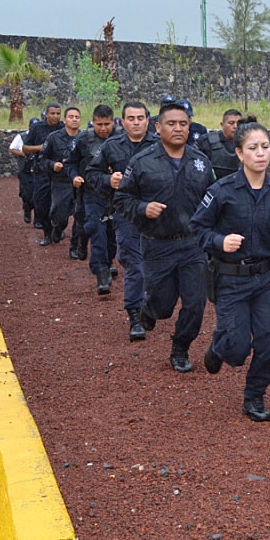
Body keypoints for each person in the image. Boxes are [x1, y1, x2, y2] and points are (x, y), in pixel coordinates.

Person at [190, 121, 270, 421]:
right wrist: (218, 241)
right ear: (239, 153)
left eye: (265, 147)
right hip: (230, 278)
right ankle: (220, 345)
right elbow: (197, 228)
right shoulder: (222, 190)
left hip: (267, 278)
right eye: (253, 148)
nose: (260, 153)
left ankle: (255, 396)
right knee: (236, 351)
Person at [114, 100, 214, 373]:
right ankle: (148, 310)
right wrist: (143, 208)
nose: (178, 128)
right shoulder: (142, 162)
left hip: (193, 246)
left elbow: (214, 201)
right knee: (162, 303)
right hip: (157, 246)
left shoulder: (202, 163)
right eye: (171, 123)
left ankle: (180, 348)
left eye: (183, 124)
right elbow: (122, 199)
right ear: (158, 127)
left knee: (195, 304)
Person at [85, 101, 157, 340]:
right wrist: (108, 180)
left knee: (155, 267)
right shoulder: (111, 146)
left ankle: (152, 305)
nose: (136, 122)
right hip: (126, 213)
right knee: (134, 264)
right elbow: (91, 174)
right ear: (122, 122)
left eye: (140, 118)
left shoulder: (161, 146)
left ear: (148, 120)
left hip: (158, 215)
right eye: (131, 118)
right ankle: (135, 316)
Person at [67, 104, 117, 294]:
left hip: (115, 197)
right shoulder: (83, 139)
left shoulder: (121, 140)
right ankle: (101, 273)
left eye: (107, 124)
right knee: (97, 232)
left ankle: (108, 261)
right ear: (93, 122)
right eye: (99, 124)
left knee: (112, 236)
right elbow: (70, 162)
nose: (103, 128)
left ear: (113, 122)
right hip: (92, 193)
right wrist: (74, 177)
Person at [39, 106, 82, 247]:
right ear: (65, 120)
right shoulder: (54, 138)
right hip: (61, 181)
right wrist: (53, 165)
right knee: (60, 215)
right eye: (71, 117)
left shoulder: (85, 138)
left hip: (80, 182)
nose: (74, 120)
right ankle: (57, 228)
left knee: (81, 215)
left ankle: (75, 247)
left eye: (77, 117)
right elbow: (42, 159)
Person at [23, 103, 63, 232]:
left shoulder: (64, 128)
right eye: (52, 113)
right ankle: (46, 229)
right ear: (46, 114)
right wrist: (40, 148)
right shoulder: (37, 128)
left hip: (60, 172)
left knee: (60, 203)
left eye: (58, 113)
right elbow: (25, 148)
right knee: (41, 203)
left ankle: (57, 228)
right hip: (41, 170)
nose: (55, 116)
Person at [201, 109, 244, 179]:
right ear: (222, 124)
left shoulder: (248, 143)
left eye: (239, 124)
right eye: (231, 123)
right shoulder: (206, 141)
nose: (235, 126)